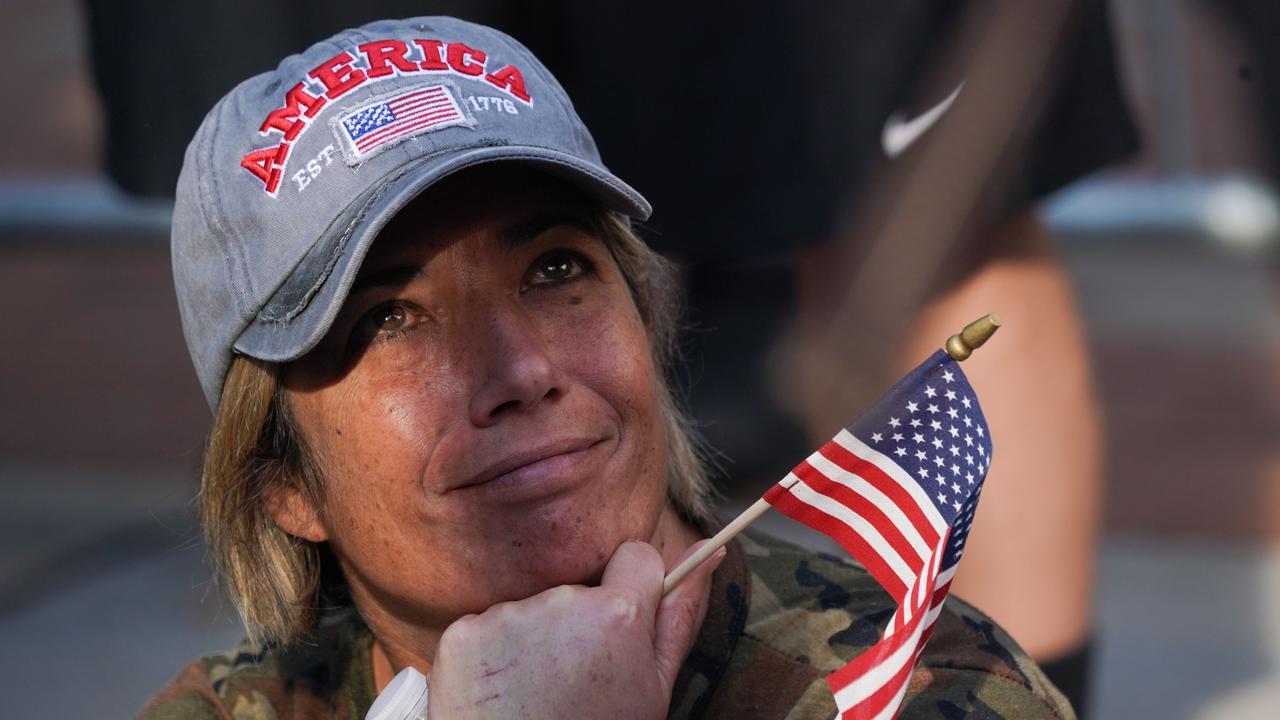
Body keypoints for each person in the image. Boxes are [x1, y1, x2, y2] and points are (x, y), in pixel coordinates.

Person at [141, 16, 1073, 719]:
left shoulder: (921, 692)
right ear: (281, 484)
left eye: (556, 269)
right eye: (389, 321)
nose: (522, 369)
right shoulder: (233, 709)